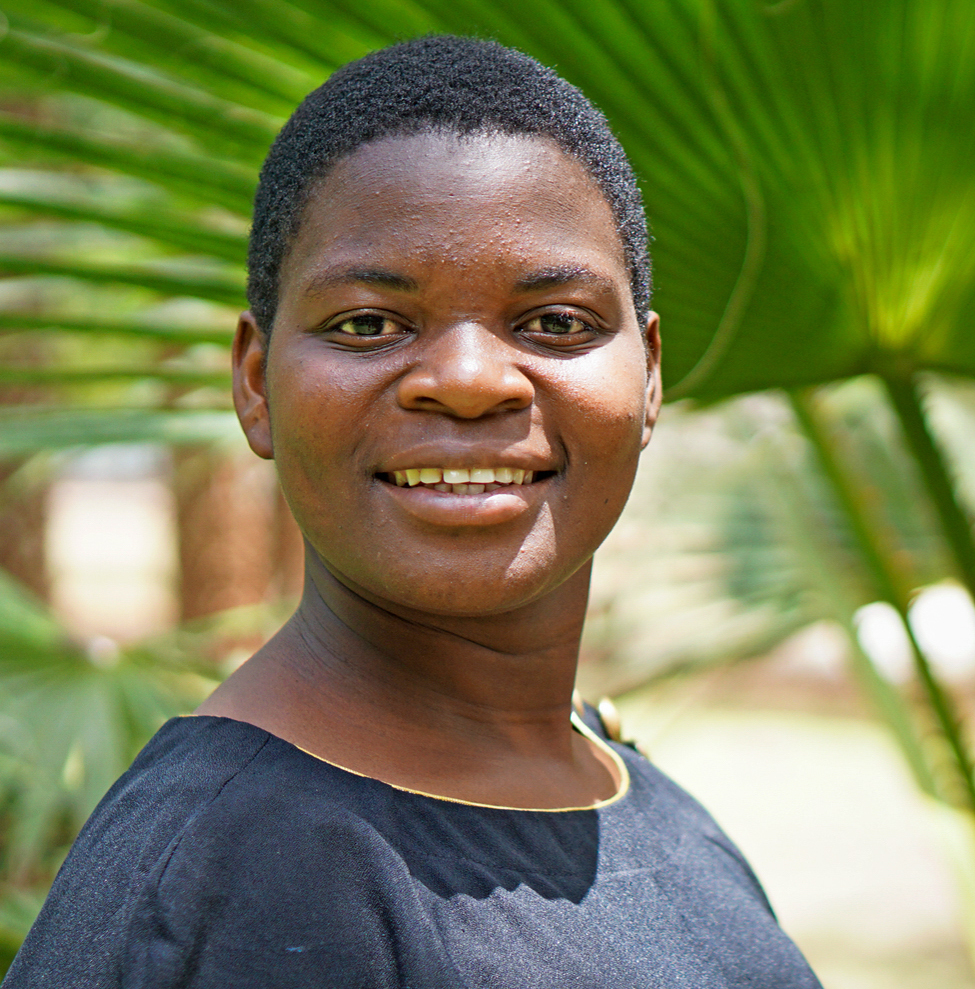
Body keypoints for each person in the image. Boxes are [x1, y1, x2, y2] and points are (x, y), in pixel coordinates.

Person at [3, 36, 822, 988]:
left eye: (556, 322)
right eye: (368, 324)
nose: (469, 380)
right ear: (257, 383)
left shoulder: (637, 793)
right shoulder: (246, 880)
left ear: (646, 379)